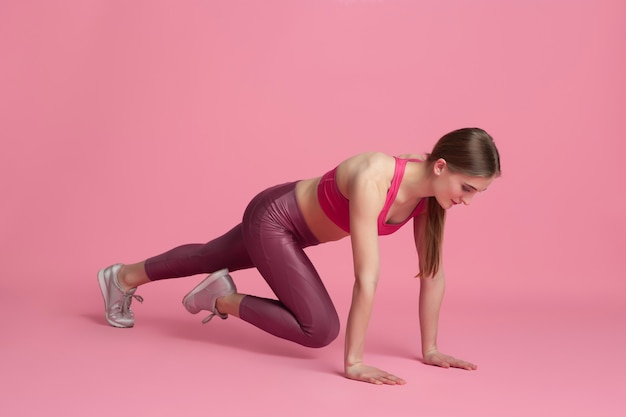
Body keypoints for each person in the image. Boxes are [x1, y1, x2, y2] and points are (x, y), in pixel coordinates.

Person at [98, 127, 501, 385]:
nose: (469, 201)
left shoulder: (430, 195)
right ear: (441, 166)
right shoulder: (374, 176)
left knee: (208, 255)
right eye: (467, 188)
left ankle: (122, 277)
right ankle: (221, 298)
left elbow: (432, 273)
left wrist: (430, 349)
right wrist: (354, 362)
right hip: (275, 217)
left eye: (477, 193)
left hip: (294, 232)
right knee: (321, 329)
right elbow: (367, 277)